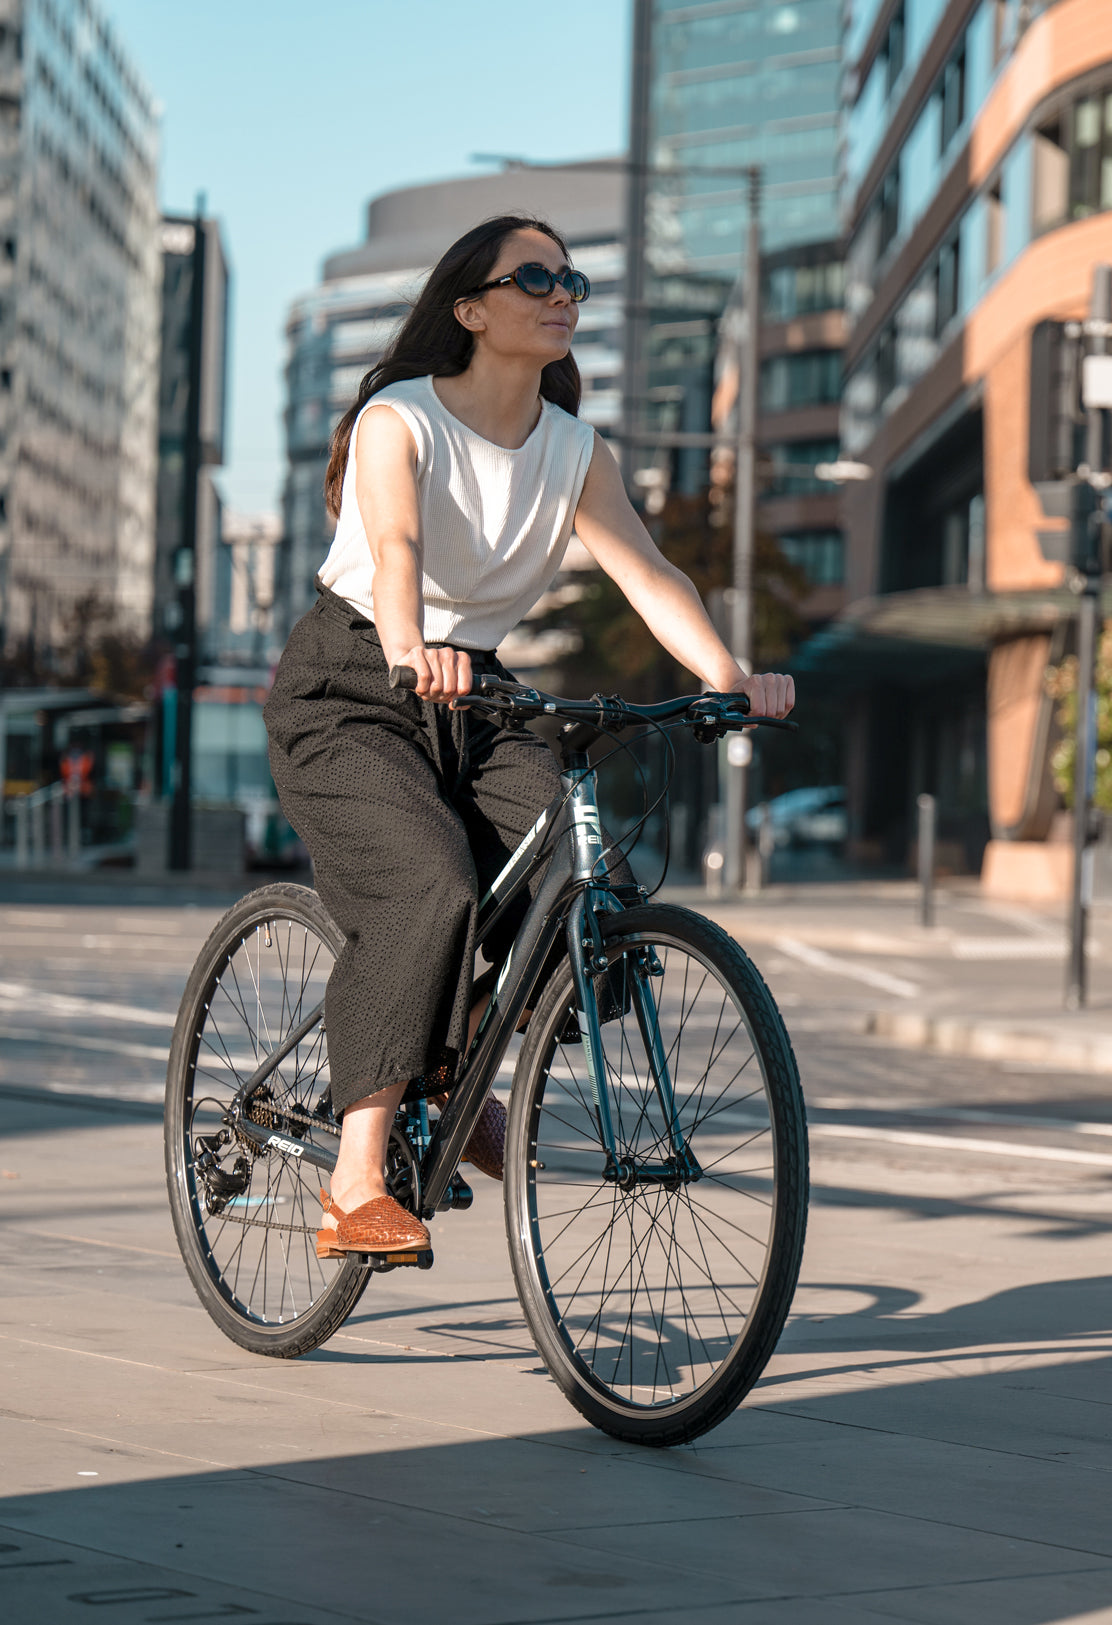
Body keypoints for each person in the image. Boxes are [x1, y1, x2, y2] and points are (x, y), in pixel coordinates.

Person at [264, 214, 794, 1259]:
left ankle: (457, 1072)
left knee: (581, 873)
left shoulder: (572, 448)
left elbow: (649, 573)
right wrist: (416, 645)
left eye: (572, 278)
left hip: (479, 689)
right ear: (470, 309)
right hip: (360, 678)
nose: (563, 292)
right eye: (535, 276)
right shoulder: (399, 418)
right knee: (430, 886)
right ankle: (356, 1175)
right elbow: (399, 540)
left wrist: (727, 678)